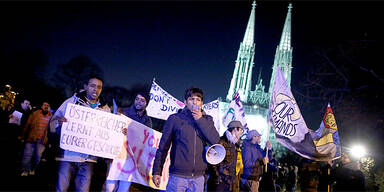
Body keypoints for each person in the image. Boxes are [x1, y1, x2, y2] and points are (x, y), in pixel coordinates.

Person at [152, 87, 220, 192]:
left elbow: (215, 140)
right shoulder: (175, 119)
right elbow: (163, 147)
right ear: (185, 102)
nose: (195, 102)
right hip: (178, 176)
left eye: (198, 99)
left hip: (199, 178)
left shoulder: (207, 120)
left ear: (202, 103)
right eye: (192, 99)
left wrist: (200, 120)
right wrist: (157, 171)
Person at [49, 77, 110, 192]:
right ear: (86, 86)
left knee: (83, 189)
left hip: (89, 159)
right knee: (61, 188)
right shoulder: (71, 102)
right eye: (92, 86)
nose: (95, 89)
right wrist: (59, 123)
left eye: (99, 87)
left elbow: (108, 133)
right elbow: (53, 122)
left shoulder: (105, 110)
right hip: (68, 155)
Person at [104, 91, 154, 192]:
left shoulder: (148, 121)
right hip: (117, 155)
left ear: (146, 104)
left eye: (142, 100)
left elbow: (146, 139)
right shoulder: (123, 112)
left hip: (132, 158)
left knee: (124, 188)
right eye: (137, 99)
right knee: (109, 187)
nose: (139, 102)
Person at [207, 120, 243, 192]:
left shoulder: (235, 144)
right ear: (235, 129)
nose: (241, 133)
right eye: (241, 130)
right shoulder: (221, 141)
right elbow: (212, 162)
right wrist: (218, 178)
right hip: (220, 183)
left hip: (229, 182)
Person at [19, 101, 52, 176]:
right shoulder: (35, 113)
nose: (46, 106)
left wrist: (49, 141)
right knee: (27, 155)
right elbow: (27, 125)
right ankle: (25, 170)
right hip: (31, 138)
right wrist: (23, 135)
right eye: (44, 105)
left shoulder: (51, 117)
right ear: (42, 106)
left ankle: (33, 168)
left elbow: (51, 130)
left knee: (38, 157)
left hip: (42, 141)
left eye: (47, 105)